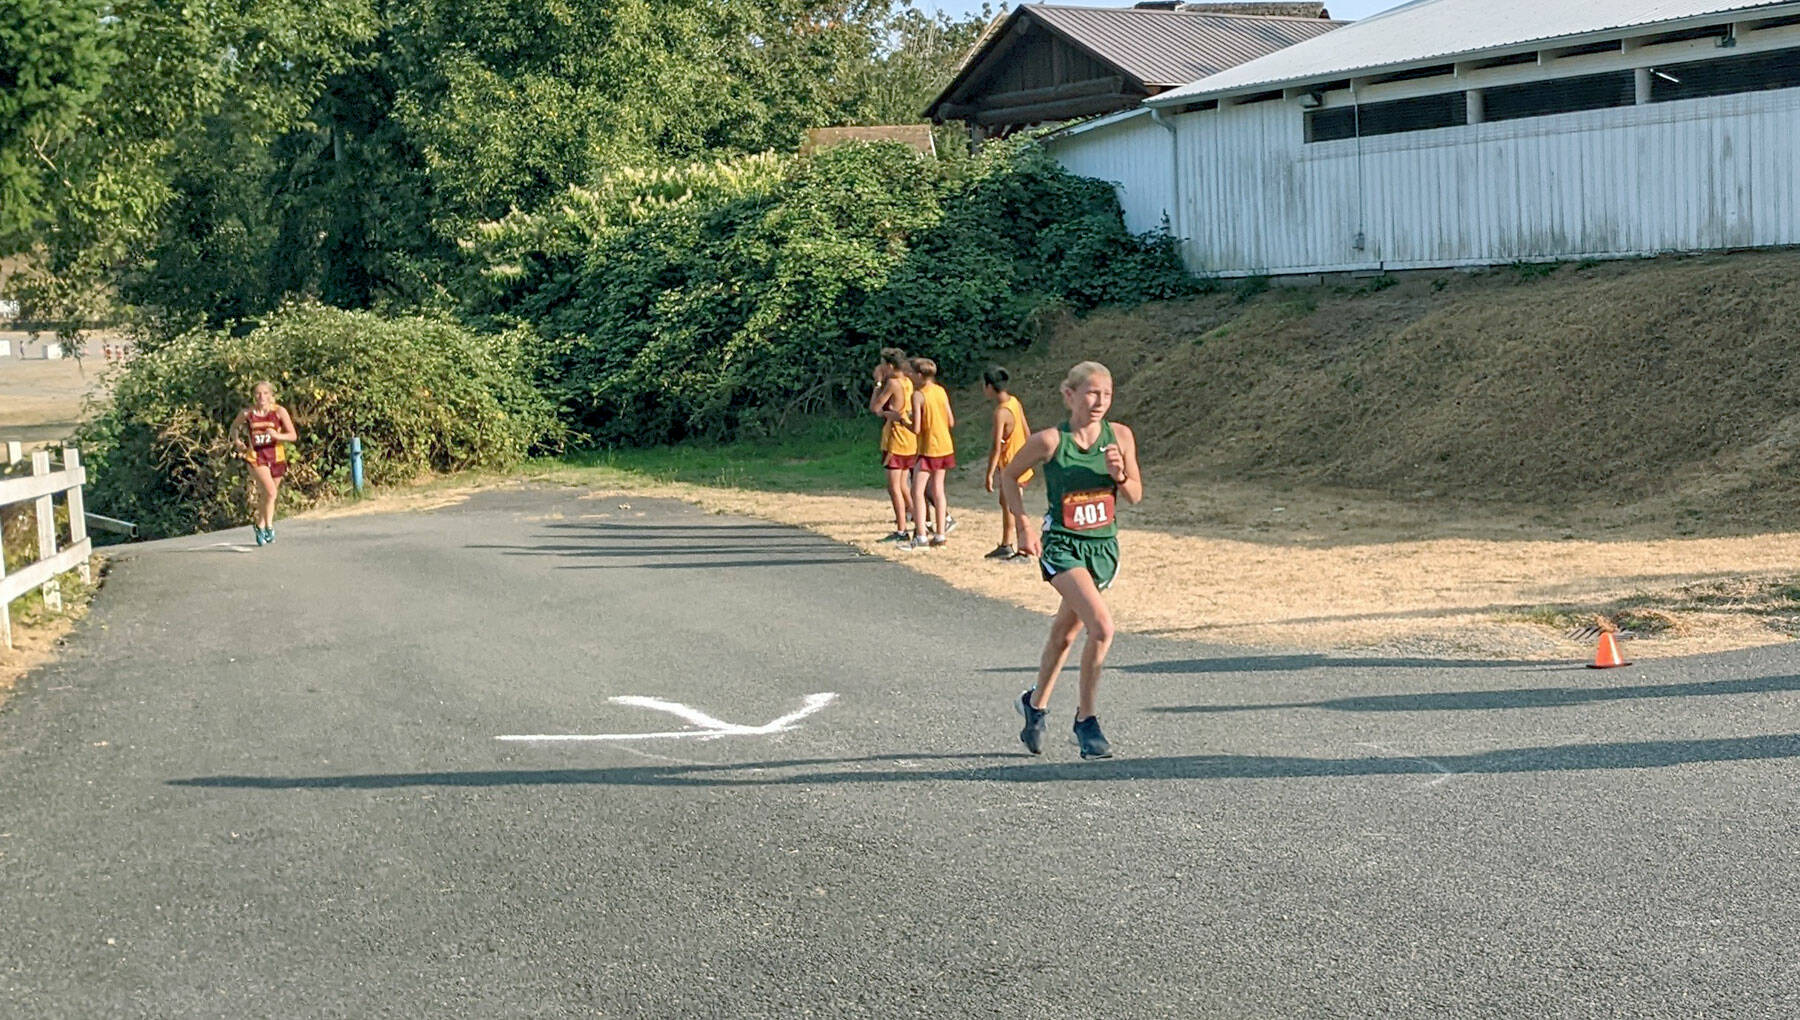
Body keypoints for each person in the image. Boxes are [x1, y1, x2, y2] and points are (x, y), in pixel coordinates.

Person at [998, 361, 1142, 759]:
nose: (1099, 402)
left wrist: (1120, 474)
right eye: (1091, 393)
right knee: (1102, 628)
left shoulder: (1121, 437)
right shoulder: (1049, 441)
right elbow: (1009, 476)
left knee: (1065, 634)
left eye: (1107, 395)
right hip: (1062, 545)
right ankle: (1087, 720)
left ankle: (1034, 704)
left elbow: (1135, 496)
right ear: (1070, 395)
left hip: (1102, 548)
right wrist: (1023, 527)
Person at [232, 381, 298, 546]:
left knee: (269, 495)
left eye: (265, 393)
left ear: (271, 395)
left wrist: (277, 436)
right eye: (258, 393)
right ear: (254, 396)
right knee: (270, 491)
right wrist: (237, 440)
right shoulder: (247, 413)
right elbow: (234, 427)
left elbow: (293, 436)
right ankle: (269, 526)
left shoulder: (279, 411)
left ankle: (259, 525)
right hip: (256, 457)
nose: (262, 397)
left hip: (276, 456)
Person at [981, 365, 1032, 561]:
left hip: (1011, 466)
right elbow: (1027, 432)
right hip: (1018, 461)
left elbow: (995, 447)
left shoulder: (1001, 412)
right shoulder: (1014, 402)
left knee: (1014, 507)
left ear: (990, 387)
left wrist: (989, 474)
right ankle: (1006, 544)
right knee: (1006, 503)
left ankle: (1023, 548)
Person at [905, 358, 956, 550]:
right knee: (938, 489)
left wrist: (903, 421)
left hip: (929, 447)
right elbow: (950, 421)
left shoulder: (918, 395)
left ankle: (920, 535)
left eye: (911, 372)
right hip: (945, 445)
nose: (909, 375)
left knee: (917, 491)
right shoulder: (940, 390)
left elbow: (916, 428)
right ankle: (941, 534)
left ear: (919, 375)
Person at [869, 349, 917, 542]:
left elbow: (875, 407)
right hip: (910, 439)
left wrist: (878, 383)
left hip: (896, 439)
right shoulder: (908, 381)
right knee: (904, 484)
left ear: (889, 366)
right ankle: (919, 518)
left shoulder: (893, 383)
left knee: (894, 487)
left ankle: (901, 529)